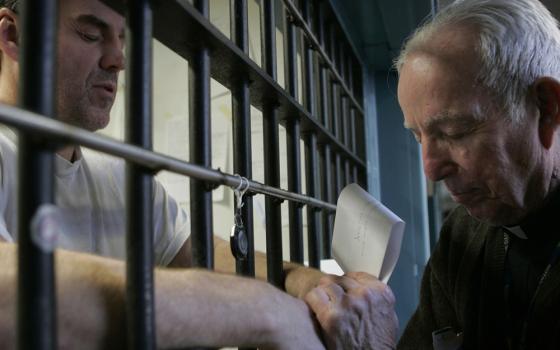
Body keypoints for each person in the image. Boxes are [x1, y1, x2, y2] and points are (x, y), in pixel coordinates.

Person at [0, 0, 398, 348]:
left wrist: (305, 281)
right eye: (90, 33)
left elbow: (201, 255)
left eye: (122, 37)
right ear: (12, 35)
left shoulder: (121, 178)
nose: (118, 58)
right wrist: (265, 312)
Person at [393, 0, 560, 348]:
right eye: (417, 136)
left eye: (454, 132)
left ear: (545, 108)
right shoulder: (461, 235)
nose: (431, 169)